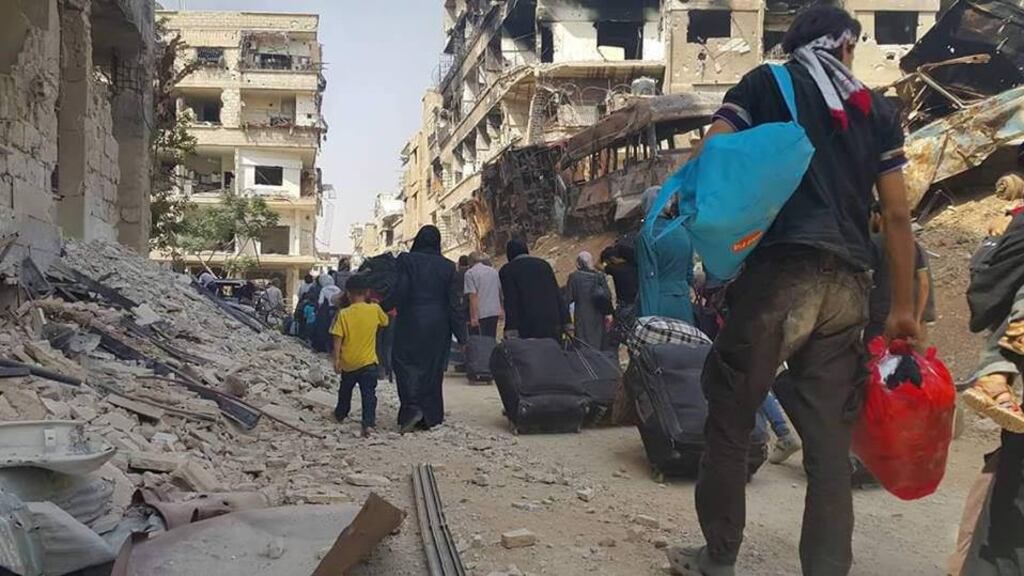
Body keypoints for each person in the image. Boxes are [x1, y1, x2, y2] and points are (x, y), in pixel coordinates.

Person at [667, 7, 919, 576]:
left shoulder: (765, 83)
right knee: (829, 445)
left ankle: (719, 556)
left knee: (732, 415)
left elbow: (715, 151)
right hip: (849, 284)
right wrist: (902, 308)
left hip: (780, 275)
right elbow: (899, 215)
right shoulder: (876, 112)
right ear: (848, 47)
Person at [381, 226, 466, 432]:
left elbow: (401, 289)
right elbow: (454, 304)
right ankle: (430, 415)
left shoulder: (406, 261)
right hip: (439, 323)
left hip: (411, 318)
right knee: (432, 367)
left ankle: (411, 408)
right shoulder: (448, 267)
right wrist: (463, 336)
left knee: (405, 363)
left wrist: (383, 306)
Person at [866, 203, 935, 343]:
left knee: (877, 362)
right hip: (913, 320)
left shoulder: (873, 244)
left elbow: (865, 281)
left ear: (878, 217)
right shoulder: (912, 244)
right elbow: (924, 284)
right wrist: (916, 319)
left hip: (880, 321)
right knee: (917, 362)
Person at [331, 274, 390, 437]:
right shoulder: (375, 310)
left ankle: (340, 414)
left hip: (349, 362)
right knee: (369, 394)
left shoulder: (344, 313)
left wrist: (336, 359)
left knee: (345, 391)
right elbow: (385, 322)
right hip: (369, 362)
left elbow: (337, 337)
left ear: (348, 293)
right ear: (368, 292)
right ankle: (368, 425)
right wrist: (377, 306)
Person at [636, 186, 696, 323]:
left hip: (658, 305)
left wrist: (649, 321)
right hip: (683, 304)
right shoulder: (683, 231)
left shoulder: (647, 235)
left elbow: (648, 280)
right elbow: (689, 274)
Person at [499, 239, 570, 341]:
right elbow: (557, 294)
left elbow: (511, 301)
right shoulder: (544, 265)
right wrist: (566, 321)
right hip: (552, 321)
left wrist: (511, 328)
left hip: (527, 325)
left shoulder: (507, 271)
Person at [566, 251, 612, 350]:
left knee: (584, 345)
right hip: (598, 316)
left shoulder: (574, 277)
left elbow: (568, 298)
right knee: (598, 344)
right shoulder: (599, 276)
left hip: (582, 317)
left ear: (579, 263)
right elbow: (607, 295)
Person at [464, 252, 503, 338]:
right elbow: (499, 291)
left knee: (483, 339)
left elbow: (473, 296)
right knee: (492, 336)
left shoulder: (470, 274)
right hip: (494, 310)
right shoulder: (493, 271)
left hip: (481, 312)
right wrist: (501, 308)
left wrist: (473, 317)